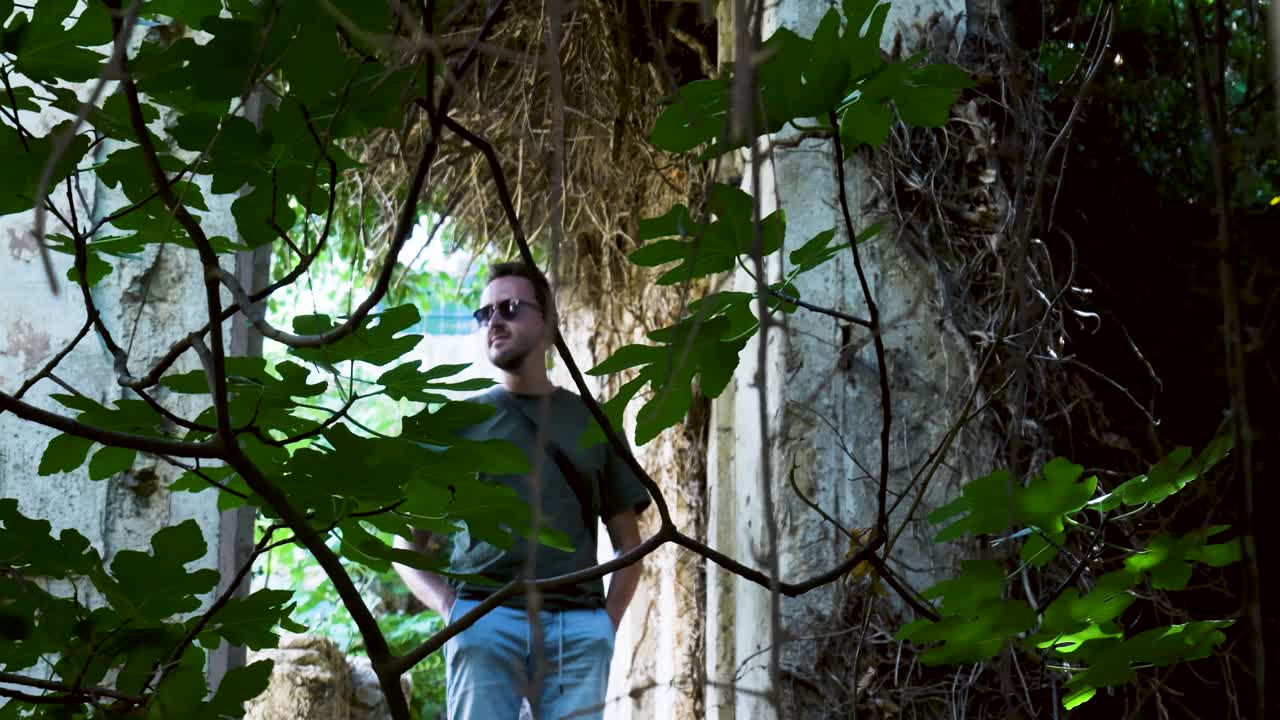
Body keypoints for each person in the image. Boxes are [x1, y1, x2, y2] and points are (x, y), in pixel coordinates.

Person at [393, 261, 650, 720]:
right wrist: (453, 610)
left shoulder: (592, 421)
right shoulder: (457, 426)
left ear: (548, 324)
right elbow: (406, 547)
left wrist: (603, 625)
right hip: (483, 619)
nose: (494, 322)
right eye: (484, 313)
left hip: (577, 628)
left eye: (509, 308)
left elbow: (629, 546)